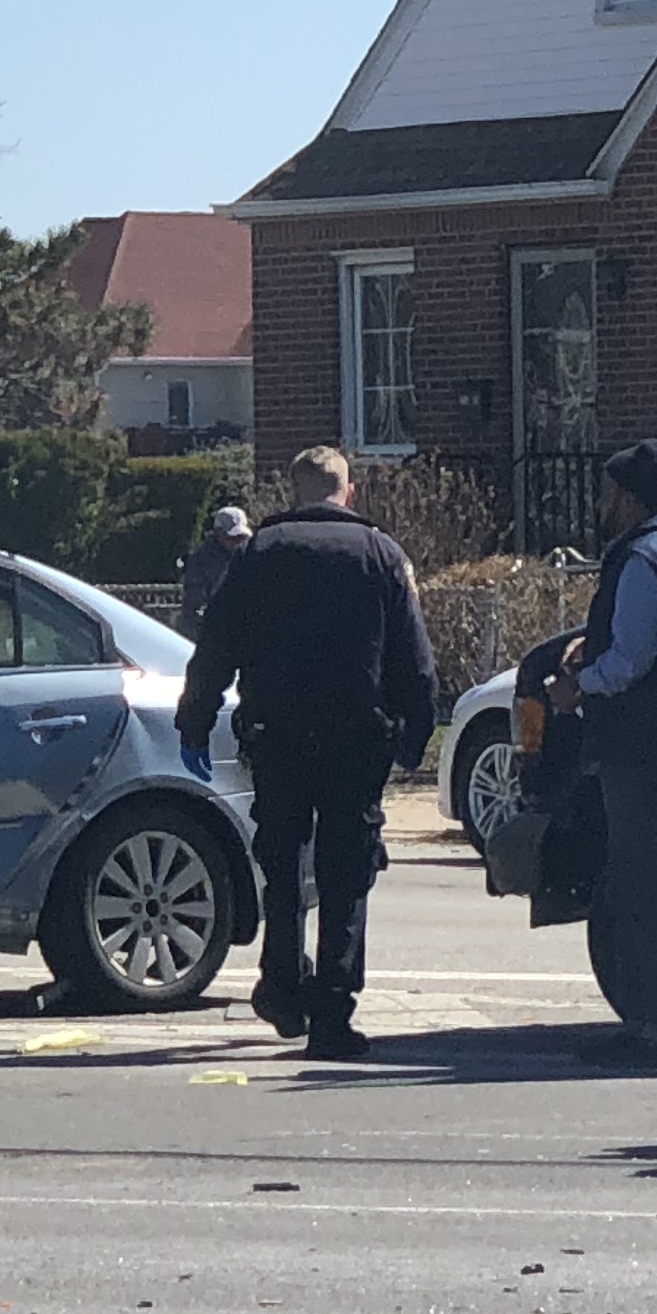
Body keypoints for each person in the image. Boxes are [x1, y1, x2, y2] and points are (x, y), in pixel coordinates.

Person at [177, 447, 439, 1057]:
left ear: (295, 492)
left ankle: (283, 983)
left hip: (278, 732)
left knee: (283, 861)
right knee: (347, 870)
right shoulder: (380, 553)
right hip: (357, 734)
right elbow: (414, 658)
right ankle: (332, 1013)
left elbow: (216, 644)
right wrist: (415, 733)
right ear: (348, 492)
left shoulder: (260, 555)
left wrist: (195, 721)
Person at [547, 440, 657, 1052]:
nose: (601, 503)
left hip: (637, 749)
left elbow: (633, 660)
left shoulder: (641, 560)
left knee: (643, 884)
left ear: (625, 497)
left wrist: (577, 687)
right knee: (653, 879)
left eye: (607, 492)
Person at [180, 503, 252, 621]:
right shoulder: (201, 561)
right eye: (232, 537)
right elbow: (194, 604)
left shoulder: (249, 556)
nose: (237, 542)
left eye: (241, 537)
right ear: (218, 532)